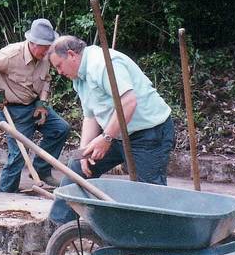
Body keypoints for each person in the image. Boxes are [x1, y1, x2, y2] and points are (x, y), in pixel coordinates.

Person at [47, 35, 174, 225]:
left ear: (72, 55)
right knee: (77, 170)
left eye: (59, 65)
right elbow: (90, 116)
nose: (58, 72)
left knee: (149, 193)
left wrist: (106, 138)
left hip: (149, 133)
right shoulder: (79, 78)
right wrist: (84, 152)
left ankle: (149, 247)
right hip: (117, 132)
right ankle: (59, 229)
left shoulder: (103, 64)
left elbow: (129, 102)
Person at [0, 19, 70, 192]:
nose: (49, 51)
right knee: (18, 153)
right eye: (45, 47)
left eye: (50, 46)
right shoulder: (11, 54)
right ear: (33, 43)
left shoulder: (46, 55)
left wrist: (42, 103)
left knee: (60, 129)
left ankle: (41, 169)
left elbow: (46, 79)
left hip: (34, 104)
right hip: (12, 108)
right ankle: (5, 196)